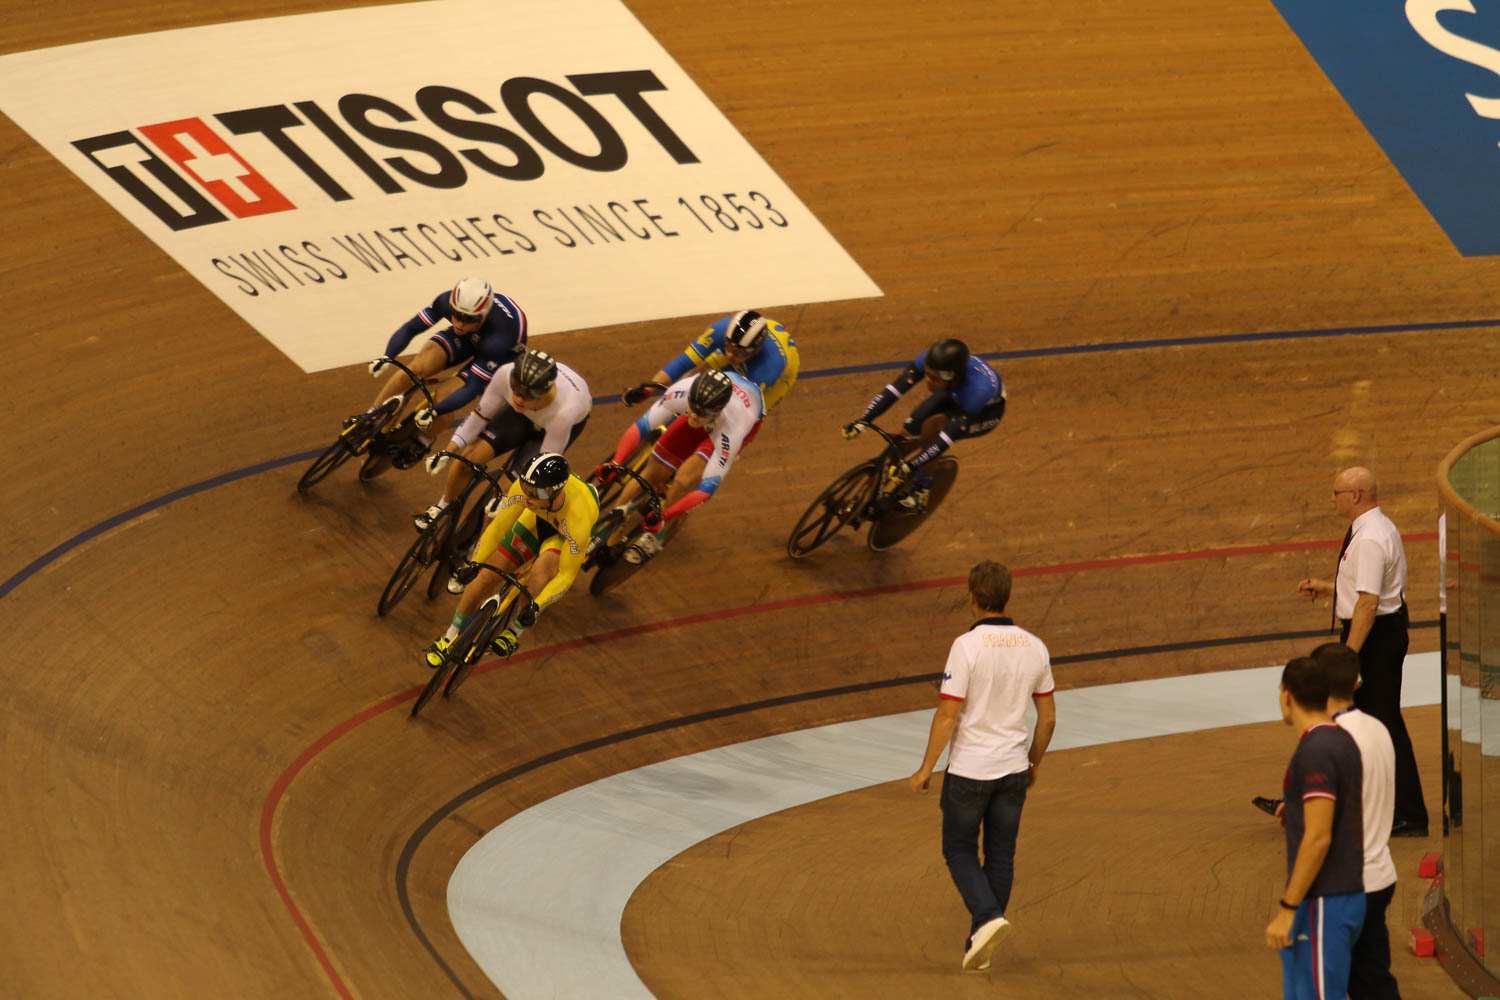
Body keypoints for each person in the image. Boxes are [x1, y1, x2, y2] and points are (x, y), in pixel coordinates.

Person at [908, 561, 1056, 972]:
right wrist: (1034, 763)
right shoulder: (1034, 646)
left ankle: (988, 919)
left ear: (972, 596)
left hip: (970, 772)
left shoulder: (966, 646)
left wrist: (925, 769)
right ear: (1005, 595)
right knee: (1001, 856)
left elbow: (947, 714)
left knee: (957, 849)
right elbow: (1048, 719)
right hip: (1012, 769)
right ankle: (981, 939)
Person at [1290, 467, 1427, 836]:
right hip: (1379, 631)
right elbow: (1370, 590)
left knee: (1381, 724)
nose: (1330, 499)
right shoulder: (1374, 528)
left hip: (1372, 638)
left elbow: (1368, 604)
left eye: (1335, 492)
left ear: (1356, 495)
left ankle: (1409, 813)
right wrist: (1333, 588)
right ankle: (1359, 804)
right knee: (1368, 723)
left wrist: (1347, 661)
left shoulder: (1369, 538)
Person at [423, 452, 598, 666]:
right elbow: (497, 529)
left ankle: (514, 631)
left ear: (554, 492)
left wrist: (537, 606)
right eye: (526, 489)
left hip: (561, 536)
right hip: (537, 518)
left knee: (539, 575)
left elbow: (567, 575)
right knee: (487, 575)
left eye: (535, 493)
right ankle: (449, 637)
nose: (527, 497)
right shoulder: (526, 491)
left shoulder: (578, 518)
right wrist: (475, 564)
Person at [1265, 655, 1366, 1000]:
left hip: (1323, 902)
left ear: (1287, 696)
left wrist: (1287, 908)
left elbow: (1319, 836)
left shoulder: (1316, 750)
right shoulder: (1340, 740)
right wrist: (1293, 811)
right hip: (1334, 897)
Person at [414, 348, 591, 536]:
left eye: (529, 394)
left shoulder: (564, 413)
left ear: (545, 392)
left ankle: (480, 545)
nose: (519, 398)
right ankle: (442, 507)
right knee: (465, 459)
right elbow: (480, 416)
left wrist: (511, 495)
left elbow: (539, 467)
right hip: (521, 417)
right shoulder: (505, 374)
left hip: (554, 427)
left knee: (507, 494)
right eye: (517, 389)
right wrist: (447, 452)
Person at [359, 276, 529, 468]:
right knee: (415, 368)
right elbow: (411, 328)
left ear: (483, 315)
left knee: (443, 396)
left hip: (500, 356)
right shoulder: (446, 302)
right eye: (456, 315)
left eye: (468, 319)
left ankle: (423, 440)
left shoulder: (499, 339)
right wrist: (387, 357)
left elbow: (472, 386)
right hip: (470, 338)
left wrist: (435, 411)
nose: (459, 323)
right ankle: (371, 415)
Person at [1312, 642, 1402, 1000]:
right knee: (1373, 981)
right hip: (1379, 877)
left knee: (1328, 985)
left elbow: (1323, 827)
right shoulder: (1378, 728)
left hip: (1345, 885)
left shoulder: (1329, 741)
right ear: (1357, 682)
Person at [598, 369, 763, 564]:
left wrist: (665, 515)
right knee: (649, 473)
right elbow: (641, 427)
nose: (693, 414)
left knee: (683, 481)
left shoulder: (731, 432)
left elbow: (705, 491)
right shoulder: (683, 392)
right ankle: (613, 523)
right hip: (714, 411)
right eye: (692, 406)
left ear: (717, 411)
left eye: (701, 412)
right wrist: (615, 462)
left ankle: (657, 534)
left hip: (729, 426)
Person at [842, 338, 1005, 510]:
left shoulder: (977, 392)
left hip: (982, 413)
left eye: (933, 377)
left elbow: (943, 441)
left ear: (950, 376)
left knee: (933, 427)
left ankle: (922, 488)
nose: (927, 380)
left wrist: (910, 465)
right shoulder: (930, 360)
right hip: (952, 393)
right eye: (926, 373)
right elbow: (895, 390)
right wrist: (864, 420)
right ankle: (870, 493)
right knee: (905, 437)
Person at [622, 309, 799, 414]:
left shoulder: (771, 366)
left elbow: (739, 408)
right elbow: (683, 363)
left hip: (778, 372)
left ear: (755, 350)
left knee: (738, 417)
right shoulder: (721, 329)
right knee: (691, 378)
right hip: (746, 345)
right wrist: (648, 389)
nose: (730, 355)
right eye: (728, 347)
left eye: (737, 352)